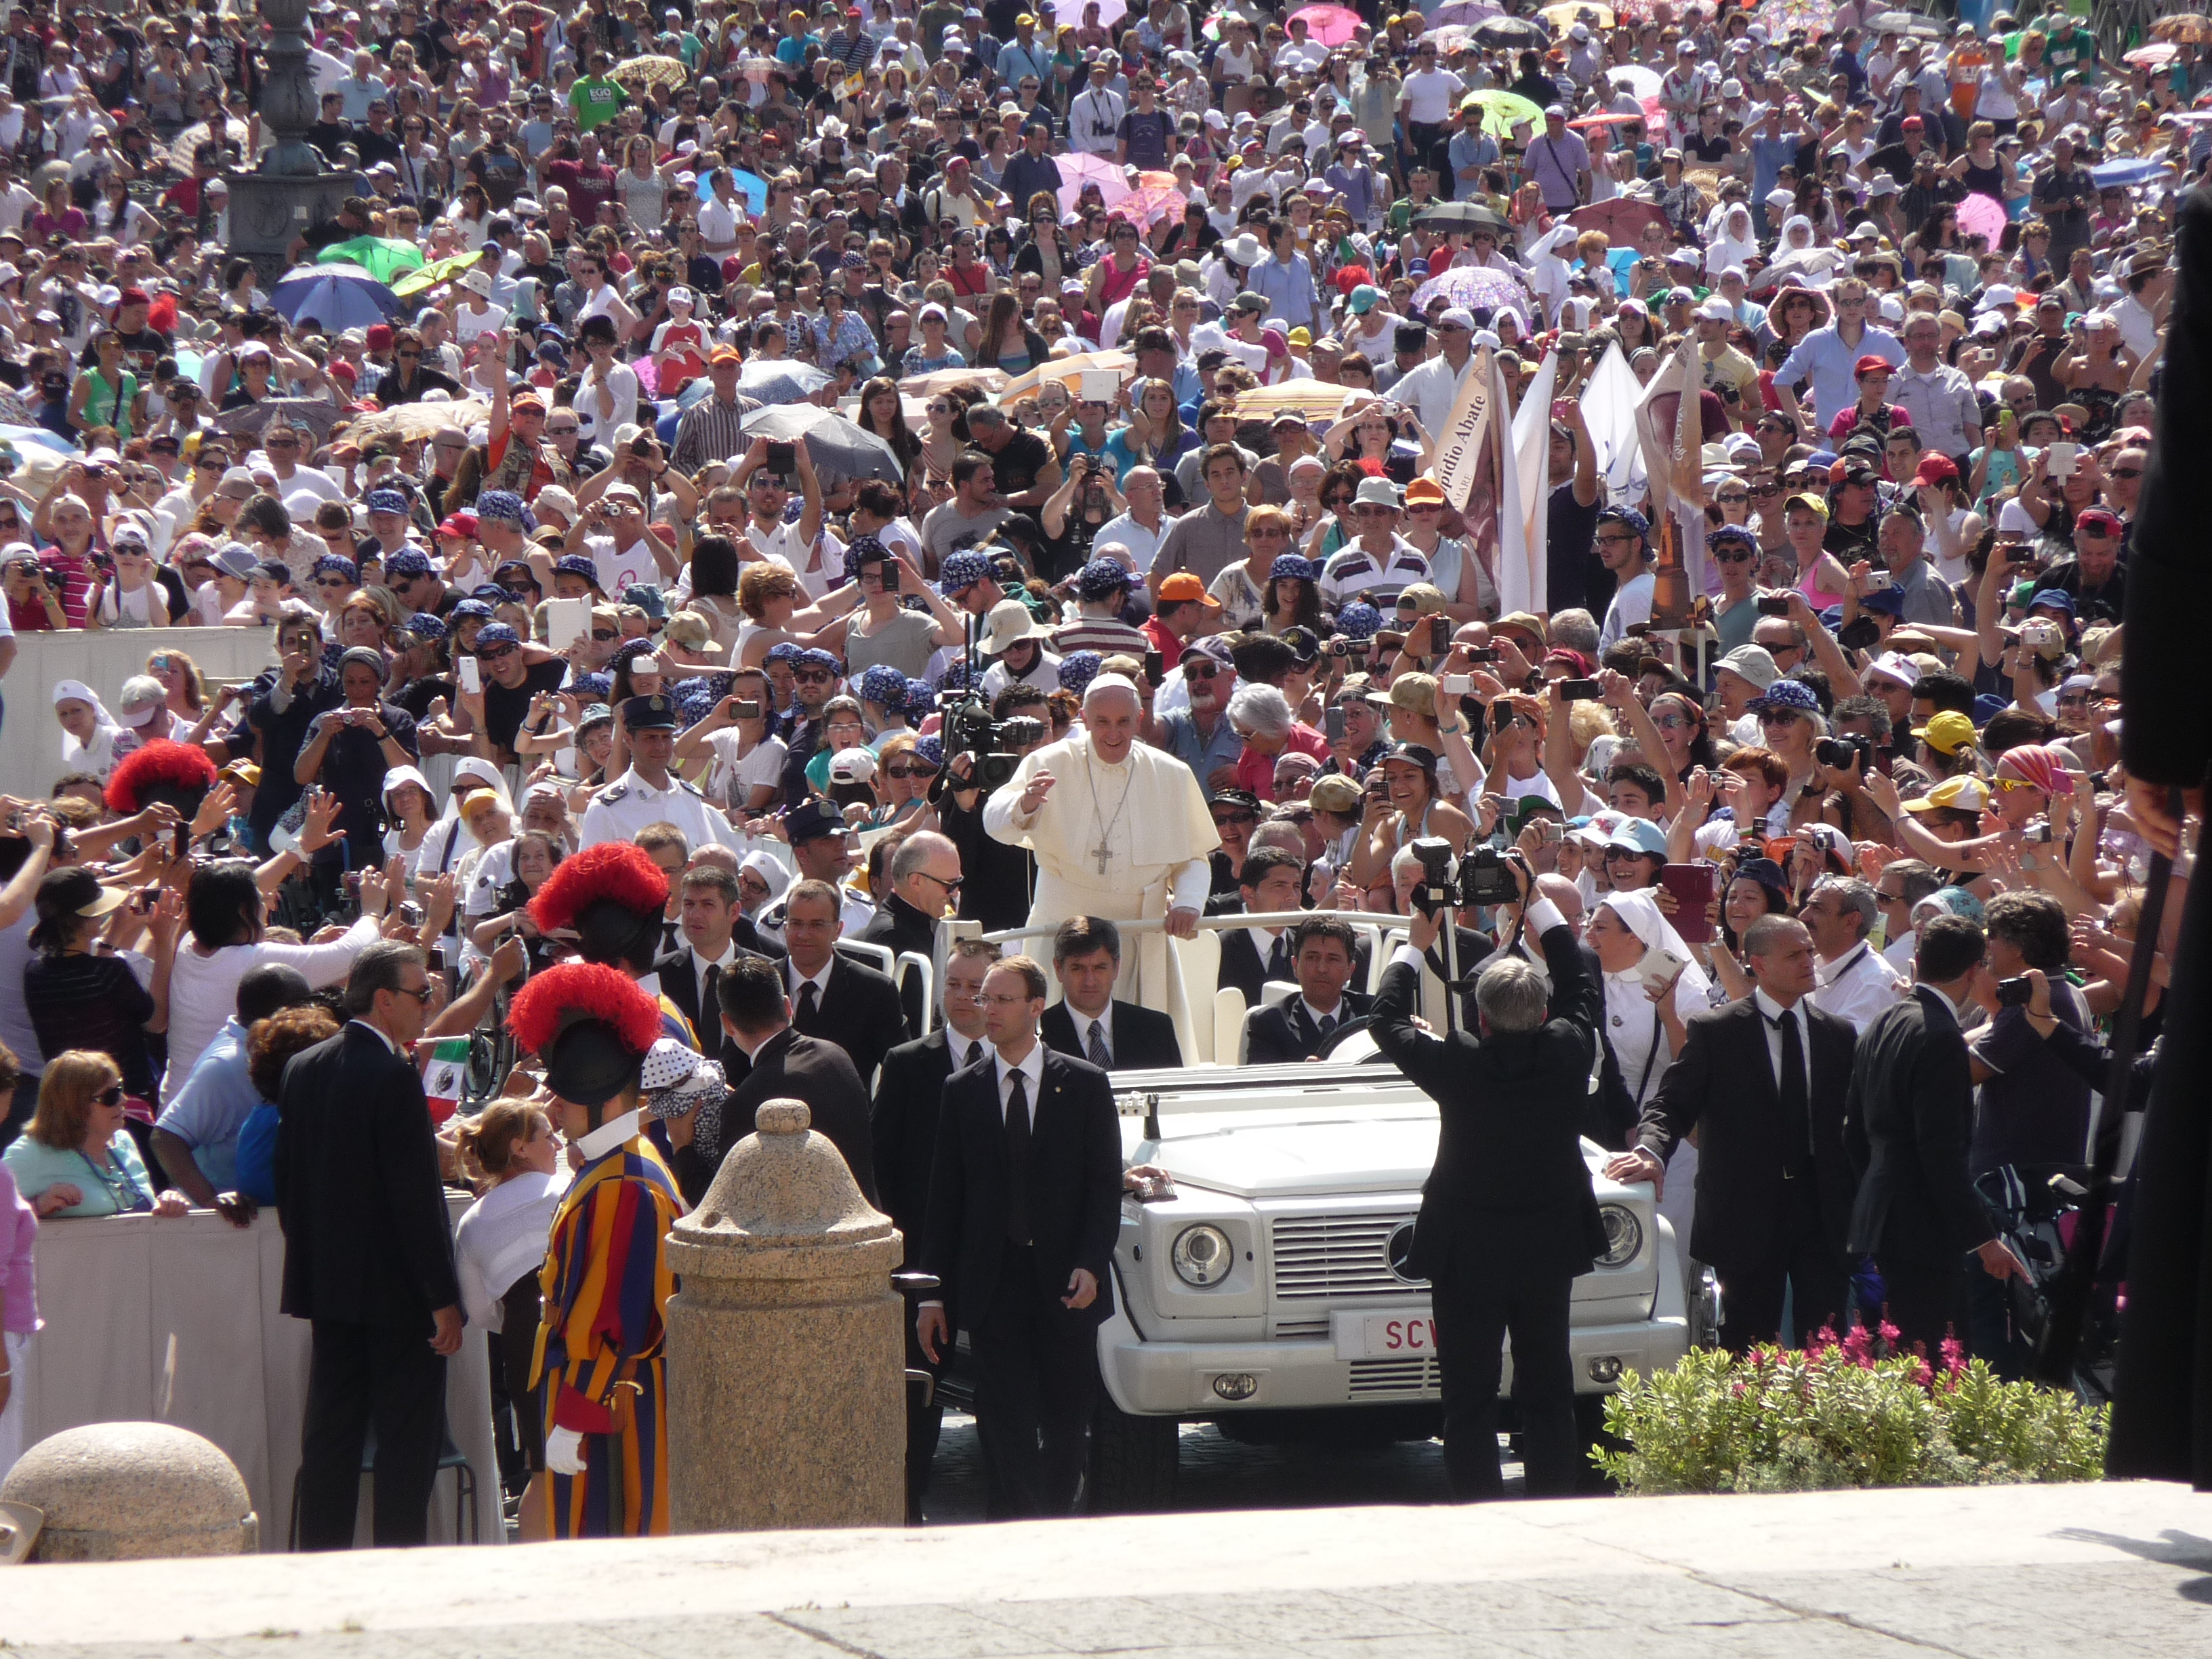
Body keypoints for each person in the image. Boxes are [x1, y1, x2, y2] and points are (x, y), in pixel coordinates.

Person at [1368, 855, 1605, 1499]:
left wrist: (1412, 947)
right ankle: (1555, 1495)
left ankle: (1476, 1504)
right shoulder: (1567, 1049)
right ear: (1542, 1010)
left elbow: (1384, 1021)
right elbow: (1579, 983)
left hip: (1467, 1252)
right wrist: (1532, 900)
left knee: (1467, 1395)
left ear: (1480, 1018)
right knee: (1548, 1387)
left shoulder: (1460, 1064)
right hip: (1546, 1247)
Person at [916, 953, 1121, 1519]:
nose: (989, 1009)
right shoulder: (963, 1090)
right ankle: (1016, 1519)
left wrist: (1090, 1264)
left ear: (1036, 1007)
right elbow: (945, 1199)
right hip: (993, 1281)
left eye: (1002, 999)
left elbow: (1104, 1188)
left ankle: (1052, 1514)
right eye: (985, 998)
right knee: (1002, 1412)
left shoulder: (1083, 1084)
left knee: (1066, 1417)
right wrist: (932, 1293)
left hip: (1065, 1281)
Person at [274, 940, 464, 1551]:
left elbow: (289, 1184)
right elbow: (414, 1198)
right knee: (405, 1446)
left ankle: (318, 1567)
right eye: (421, 994)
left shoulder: (302, 1067)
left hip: (329, 1290)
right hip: (399, 1298)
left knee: (330, 1439)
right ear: (385, 1001)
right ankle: (397, 1575)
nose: (428, 1005)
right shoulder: (391, 1074)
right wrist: (440, 1297)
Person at [1607, 917, 1857, 1351]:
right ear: (1757, 964)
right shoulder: (1716, 1030)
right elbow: (1672, 1104)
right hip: (1745, 1214)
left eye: (1808, 951)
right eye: (1794, 954)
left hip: (1822, 1212)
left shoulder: (1837, 1033)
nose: (1807, 961)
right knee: (1748, 1345)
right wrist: (1651, 1150)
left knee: (1827, 1344)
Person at [506, 961, 682, 1538]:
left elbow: (616, 1318)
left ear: (605, 1099)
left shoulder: (623, 1183)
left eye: (567, 1097)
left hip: (612, 1402)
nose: (553, 1110)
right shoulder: (616, 1166)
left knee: (608, 1538)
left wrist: (575, 1417)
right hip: (603, 1394)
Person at [984, 674, 1219, 1029]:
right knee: (1051, 1036)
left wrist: (1188, 902)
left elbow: (1192, 857)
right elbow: (995, 823)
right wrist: (1026, 803)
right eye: (1103, 722)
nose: (1114, 733)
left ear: (1139, 720)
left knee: (1144, 1039)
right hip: (1061, 928)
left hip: (1140, 932)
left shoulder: (1171, 773)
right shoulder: (1049, 762)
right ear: (1085, 721)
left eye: (1124, 722)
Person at [1843, 915, 2030, 1356]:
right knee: (1933, 1363)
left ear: (1919, 960)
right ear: (1973, 969)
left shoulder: (1883, 1023)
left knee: (1893, 1360)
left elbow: (1852, 1132)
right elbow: (1941, 1153)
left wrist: (1875, 1191)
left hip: (1879, 1220)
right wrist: (1984, 1241)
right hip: (1924, 1231)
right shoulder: (1941, 1037)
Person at [871, 937, 1000, 1525]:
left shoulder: (1023, 1065)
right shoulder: (907, 1064)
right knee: (917, 1396)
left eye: (977, 987)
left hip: (999, 1263)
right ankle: (906, 1508)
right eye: (953, 984)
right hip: (924, 1263)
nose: (965, 997)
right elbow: (883, 1167)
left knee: (1005, 1397)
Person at [451, 1099, 566, 1539]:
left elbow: (480, 1313)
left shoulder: (471, 1222)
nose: (556, 1144)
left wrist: (520, 1322)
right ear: (519, 1147)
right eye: (546, 1137)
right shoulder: (569, 1190)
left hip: (521, 1342)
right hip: (580, 1329)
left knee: (541, 1466)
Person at [694, 954, 879, 1208]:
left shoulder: (747, 1103)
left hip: (807, 1245)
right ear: (787, 1006)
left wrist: (682, 1145)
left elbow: (719, 1205)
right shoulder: (836, 1056)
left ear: (727, 1023)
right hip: (866, 1231)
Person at [152, 964, 315, 1220]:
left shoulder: (258, 1047)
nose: (312, 1013)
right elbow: (165, 1138)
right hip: (228, 1230)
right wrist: (210, 1201)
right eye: (306, 1005)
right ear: (284, 1011)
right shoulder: (227, 1062)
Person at [3, 1050, 192, 1220]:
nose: (123, 1100)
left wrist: (167, 1203)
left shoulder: (124, 1142)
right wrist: (36, 1207)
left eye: (120, 1089)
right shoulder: (29, 1154)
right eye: (110, 1096)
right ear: (74, 1106)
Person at [1038, 916, 1183, 1071]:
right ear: (1059, 969)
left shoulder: (1156, 1029)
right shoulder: (1038, 1035)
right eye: (1078, 969)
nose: (1089, 981)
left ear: (1116, 967)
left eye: (1100, 968)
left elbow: (1177, 1094)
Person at [1242, 916, 1374, 1065]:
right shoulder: (1269, 1023)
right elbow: (1263, 1084)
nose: (1322, 969)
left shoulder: (1373, 1015)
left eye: (1333, 959)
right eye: (1312, 958)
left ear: (1350, 969)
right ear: (1295, 965)